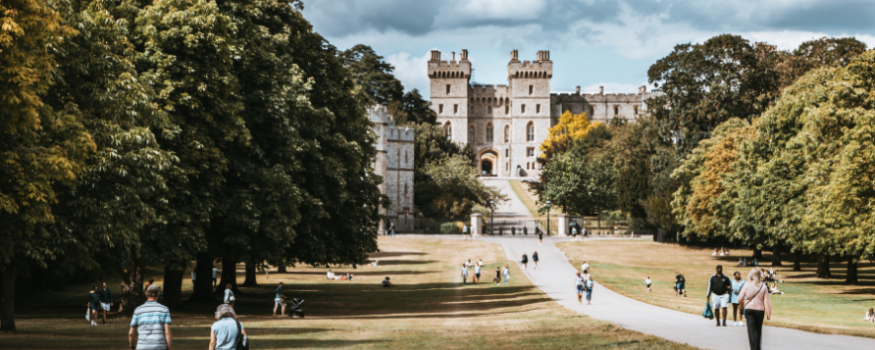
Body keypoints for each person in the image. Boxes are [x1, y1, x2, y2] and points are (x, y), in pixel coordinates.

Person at [129, 284, 172, 350]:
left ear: (146, 294)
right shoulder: (164, 310)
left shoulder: (138, 310)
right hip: (160, 347)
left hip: (142, 347)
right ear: (158, 295)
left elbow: (131, 333)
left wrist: (132, 347)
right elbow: (167, 332)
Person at [738, 268, 771, 350]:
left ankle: (754, 348)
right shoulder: (763, 286)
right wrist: (768, 314)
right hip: (760, 310)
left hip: (749, 310)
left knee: (751, 331)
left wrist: (744, 304)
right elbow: (767, 301)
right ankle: (757, 347)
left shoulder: (747, 284)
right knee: (758, 331)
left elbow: (739, 299)